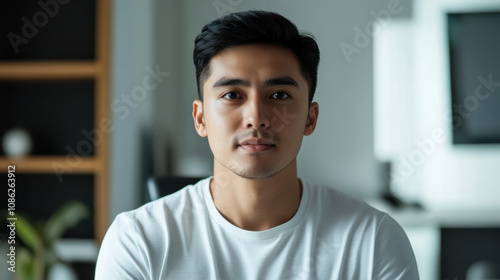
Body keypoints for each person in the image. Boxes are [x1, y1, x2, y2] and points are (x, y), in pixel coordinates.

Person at [95, 10, 419, 279]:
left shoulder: (373, 241)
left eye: (279, 95)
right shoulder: (139, 242)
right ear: (200, 118)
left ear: (310, 117)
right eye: (232, 95)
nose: (256, 118)